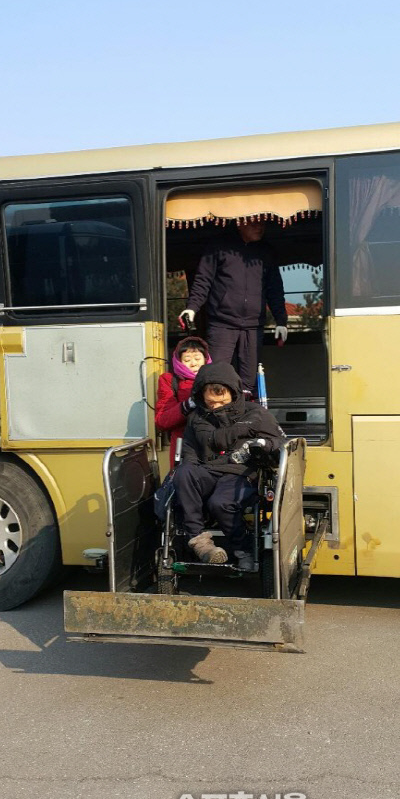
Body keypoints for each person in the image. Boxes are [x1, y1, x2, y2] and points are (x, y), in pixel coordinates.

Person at [174, 361, 286, 569]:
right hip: (207, 471)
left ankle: (242, 549)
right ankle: (200, 542)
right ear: (202, 396)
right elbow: (189, 453)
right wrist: (191, 475)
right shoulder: (196, 418)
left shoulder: (255, 413)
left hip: (239, 472)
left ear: (233, 393)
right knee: (183, 473)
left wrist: (262, 444)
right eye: (211, 402)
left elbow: (280, 442)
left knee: (220, 503)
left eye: (222, 401)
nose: (217, 406)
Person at [178, 220, 288, 395]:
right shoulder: (219, 246)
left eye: (262, 225)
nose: (259, 228)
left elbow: (275, 289)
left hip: (253, 326)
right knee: (216, 375)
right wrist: (192, 308)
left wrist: (281, 320)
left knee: (249, 382)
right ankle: (217, 419)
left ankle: (245, 419)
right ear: (240, 224)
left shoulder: (266, 252)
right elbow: (203, 280)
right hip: (222, 323)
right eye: (254, 224)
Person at [155, 336, 211, 468]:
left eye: (197, 358)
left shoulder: (217, 377)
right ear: (179, 362)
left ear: (206, 359)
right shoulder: (169, 380)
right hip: (183, 446)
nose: (194, 363)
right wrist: (188, 404)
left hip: (213, 443)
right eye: (187, 360)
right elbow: (162, 421)